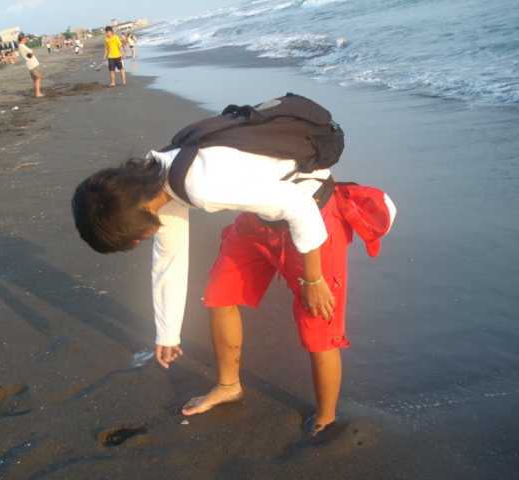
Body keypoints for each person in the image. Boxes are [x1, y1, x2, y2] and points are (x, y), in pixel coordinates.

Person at [72, 137, 394, 436]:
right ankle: (228, 386)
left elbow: (299, 204)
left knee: (319, 323)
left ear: (137, 209)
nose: (137, 240)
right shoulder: (154, 181)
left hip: (313, 217)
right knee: (220, 294)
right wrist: (167, 333)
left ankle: (326, 418)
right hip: (261, 218)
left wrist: (314, 279)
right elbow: (168, 257)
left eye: (131, 237)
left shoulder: (198, 185)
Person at [17, 33, 45, 98]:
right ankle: (38, 93)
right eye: (25, 38)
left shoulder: (20, 46)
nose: (26, 39)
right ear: (23, 38)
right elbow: (31, 52)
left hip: (30, 64)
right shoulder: (22, 46)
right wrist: (32, 52)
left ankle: (37, 92)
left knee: (35, 79)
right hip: (32, 64)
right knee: (38, 78)